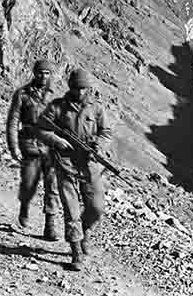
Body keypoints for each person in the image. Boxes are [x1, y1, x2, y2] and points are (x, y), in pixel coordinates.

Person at [37, 68, 112, 271]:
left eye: (83, 88)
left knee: (96, 207)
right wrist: (57, 141)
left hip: (88, 164)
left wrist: (97, 146)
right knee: (72, 209)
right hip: (65, 163)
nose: (80, 92)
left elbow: (106, 132)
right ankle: (76, 250)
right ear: (70, 87)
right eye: (76, 88)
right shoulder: (58, 107)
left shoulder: (96, 109)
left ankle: (85, 231)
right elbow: (42, 128)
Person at [6, 59, 59, 240]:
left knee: (52, 186)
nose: (43, 76)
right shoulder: (22, 94)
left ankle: (50, 225)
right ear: (34, 73)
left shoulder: (56, 96)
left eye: (47, 73)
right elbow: (13, 121)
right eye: (40, 73)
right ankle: (24, 208)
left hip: (51, 147)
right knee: (29, 183)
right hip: (29, 144)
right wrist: (13, 146)